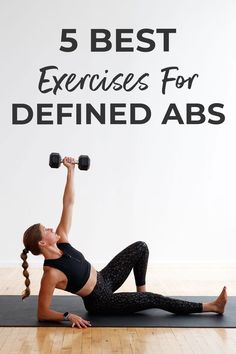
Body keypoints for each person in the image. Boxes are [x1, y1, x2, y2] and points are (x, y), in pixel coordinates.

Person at [21, 157, 227, 329]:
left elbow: (68, 202)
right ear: (41, 243)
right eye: (45, 229)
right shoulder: (50, 274)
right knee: (156, 300)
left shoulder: (62, 239)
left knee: (141, 247)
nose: (50, 228)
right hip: (101, 302)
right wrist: (68, 315)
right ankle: (211, 307)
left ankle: (141, 295)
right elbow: (42, 312)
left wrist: (70, 171)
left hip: (106, 278)